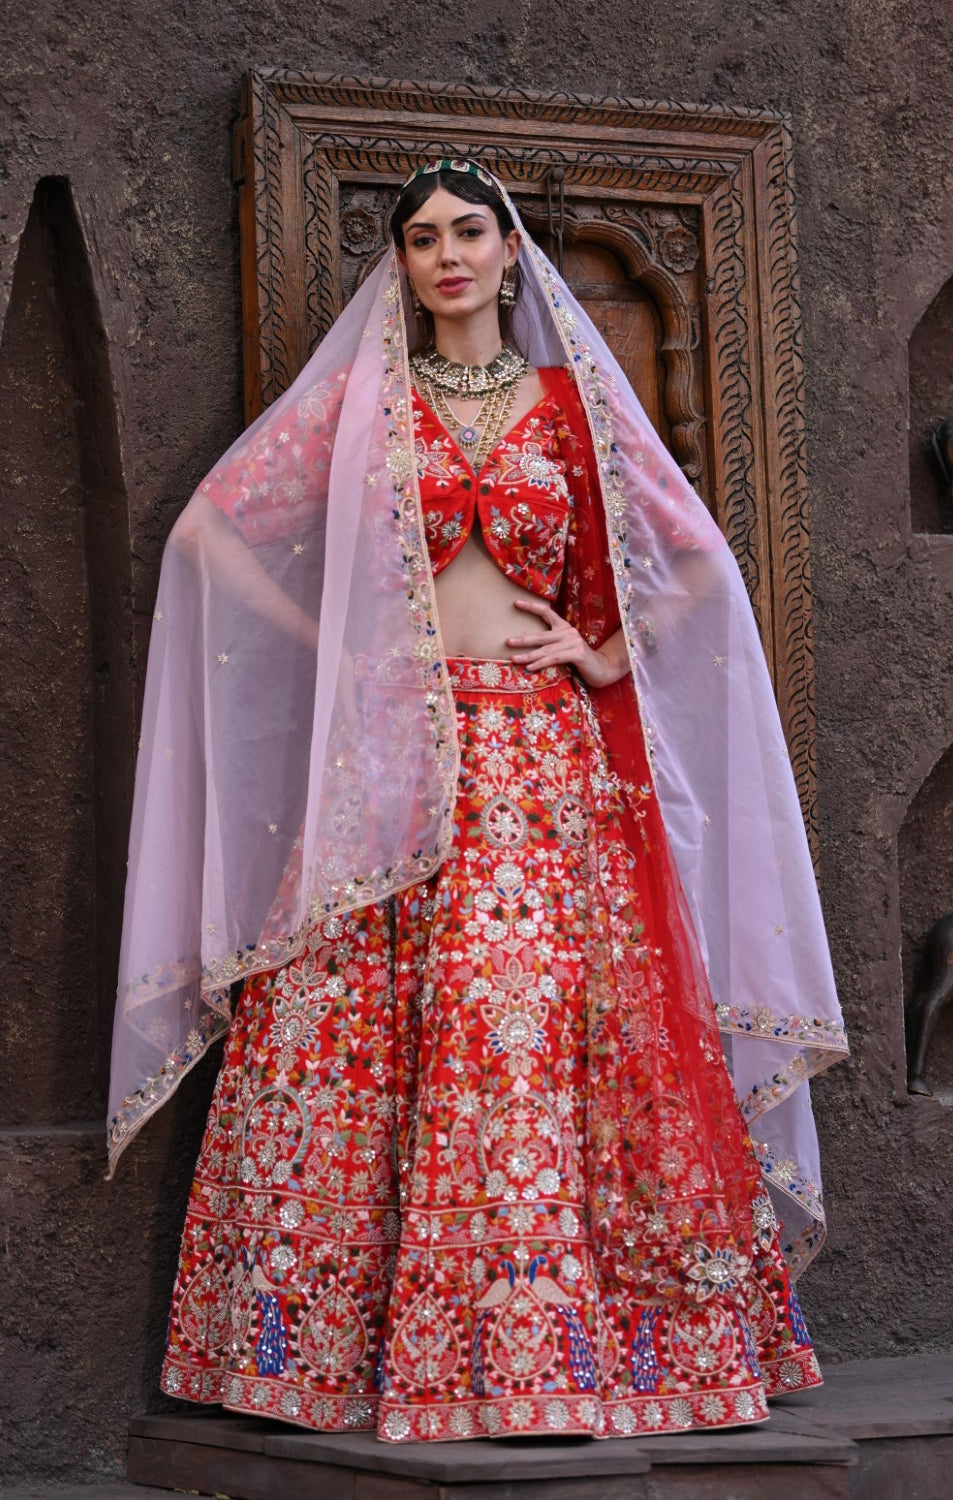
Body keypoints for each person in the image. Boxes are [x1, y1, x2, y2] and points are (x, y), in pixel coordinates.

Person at [108, 159, 848, 1443]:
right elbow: (206, 538)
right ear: (396, 264)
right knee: (350, 1038)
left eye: (467, 232)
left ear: (512, 253)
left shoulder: (565, 407)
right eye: (418, 238)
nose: (444, 254)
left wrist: (604, 655)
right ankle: (325, 1354)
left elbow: (692, 565)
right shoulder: (362, 405)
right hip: (388, 752)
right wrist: (342, 647)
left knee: (518, 1036)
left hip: (536, 765)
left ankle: (548, 1358)